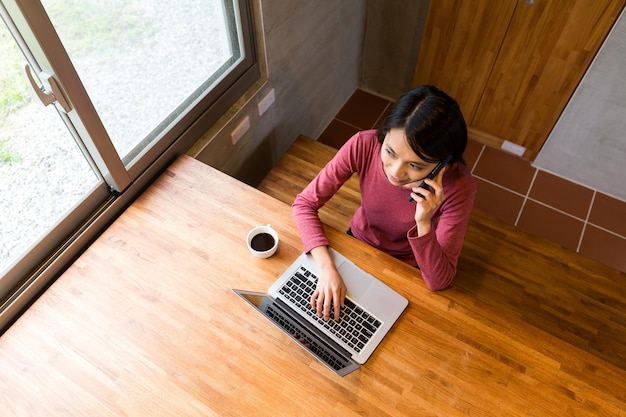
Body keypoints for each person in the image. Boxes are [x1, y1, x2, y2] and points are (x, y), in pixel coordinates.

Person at [292, 85, 477, 321]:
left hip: (408, 266)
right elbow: (304, 204)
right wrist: (327, 269)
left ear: (443, 164)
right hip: (359, 241)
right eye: (389, 152)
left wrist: (423, 222)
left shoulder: (459, 187)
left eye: (415, 165)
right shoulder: (364, 144)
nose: (396, 172)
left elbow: (438, 280)